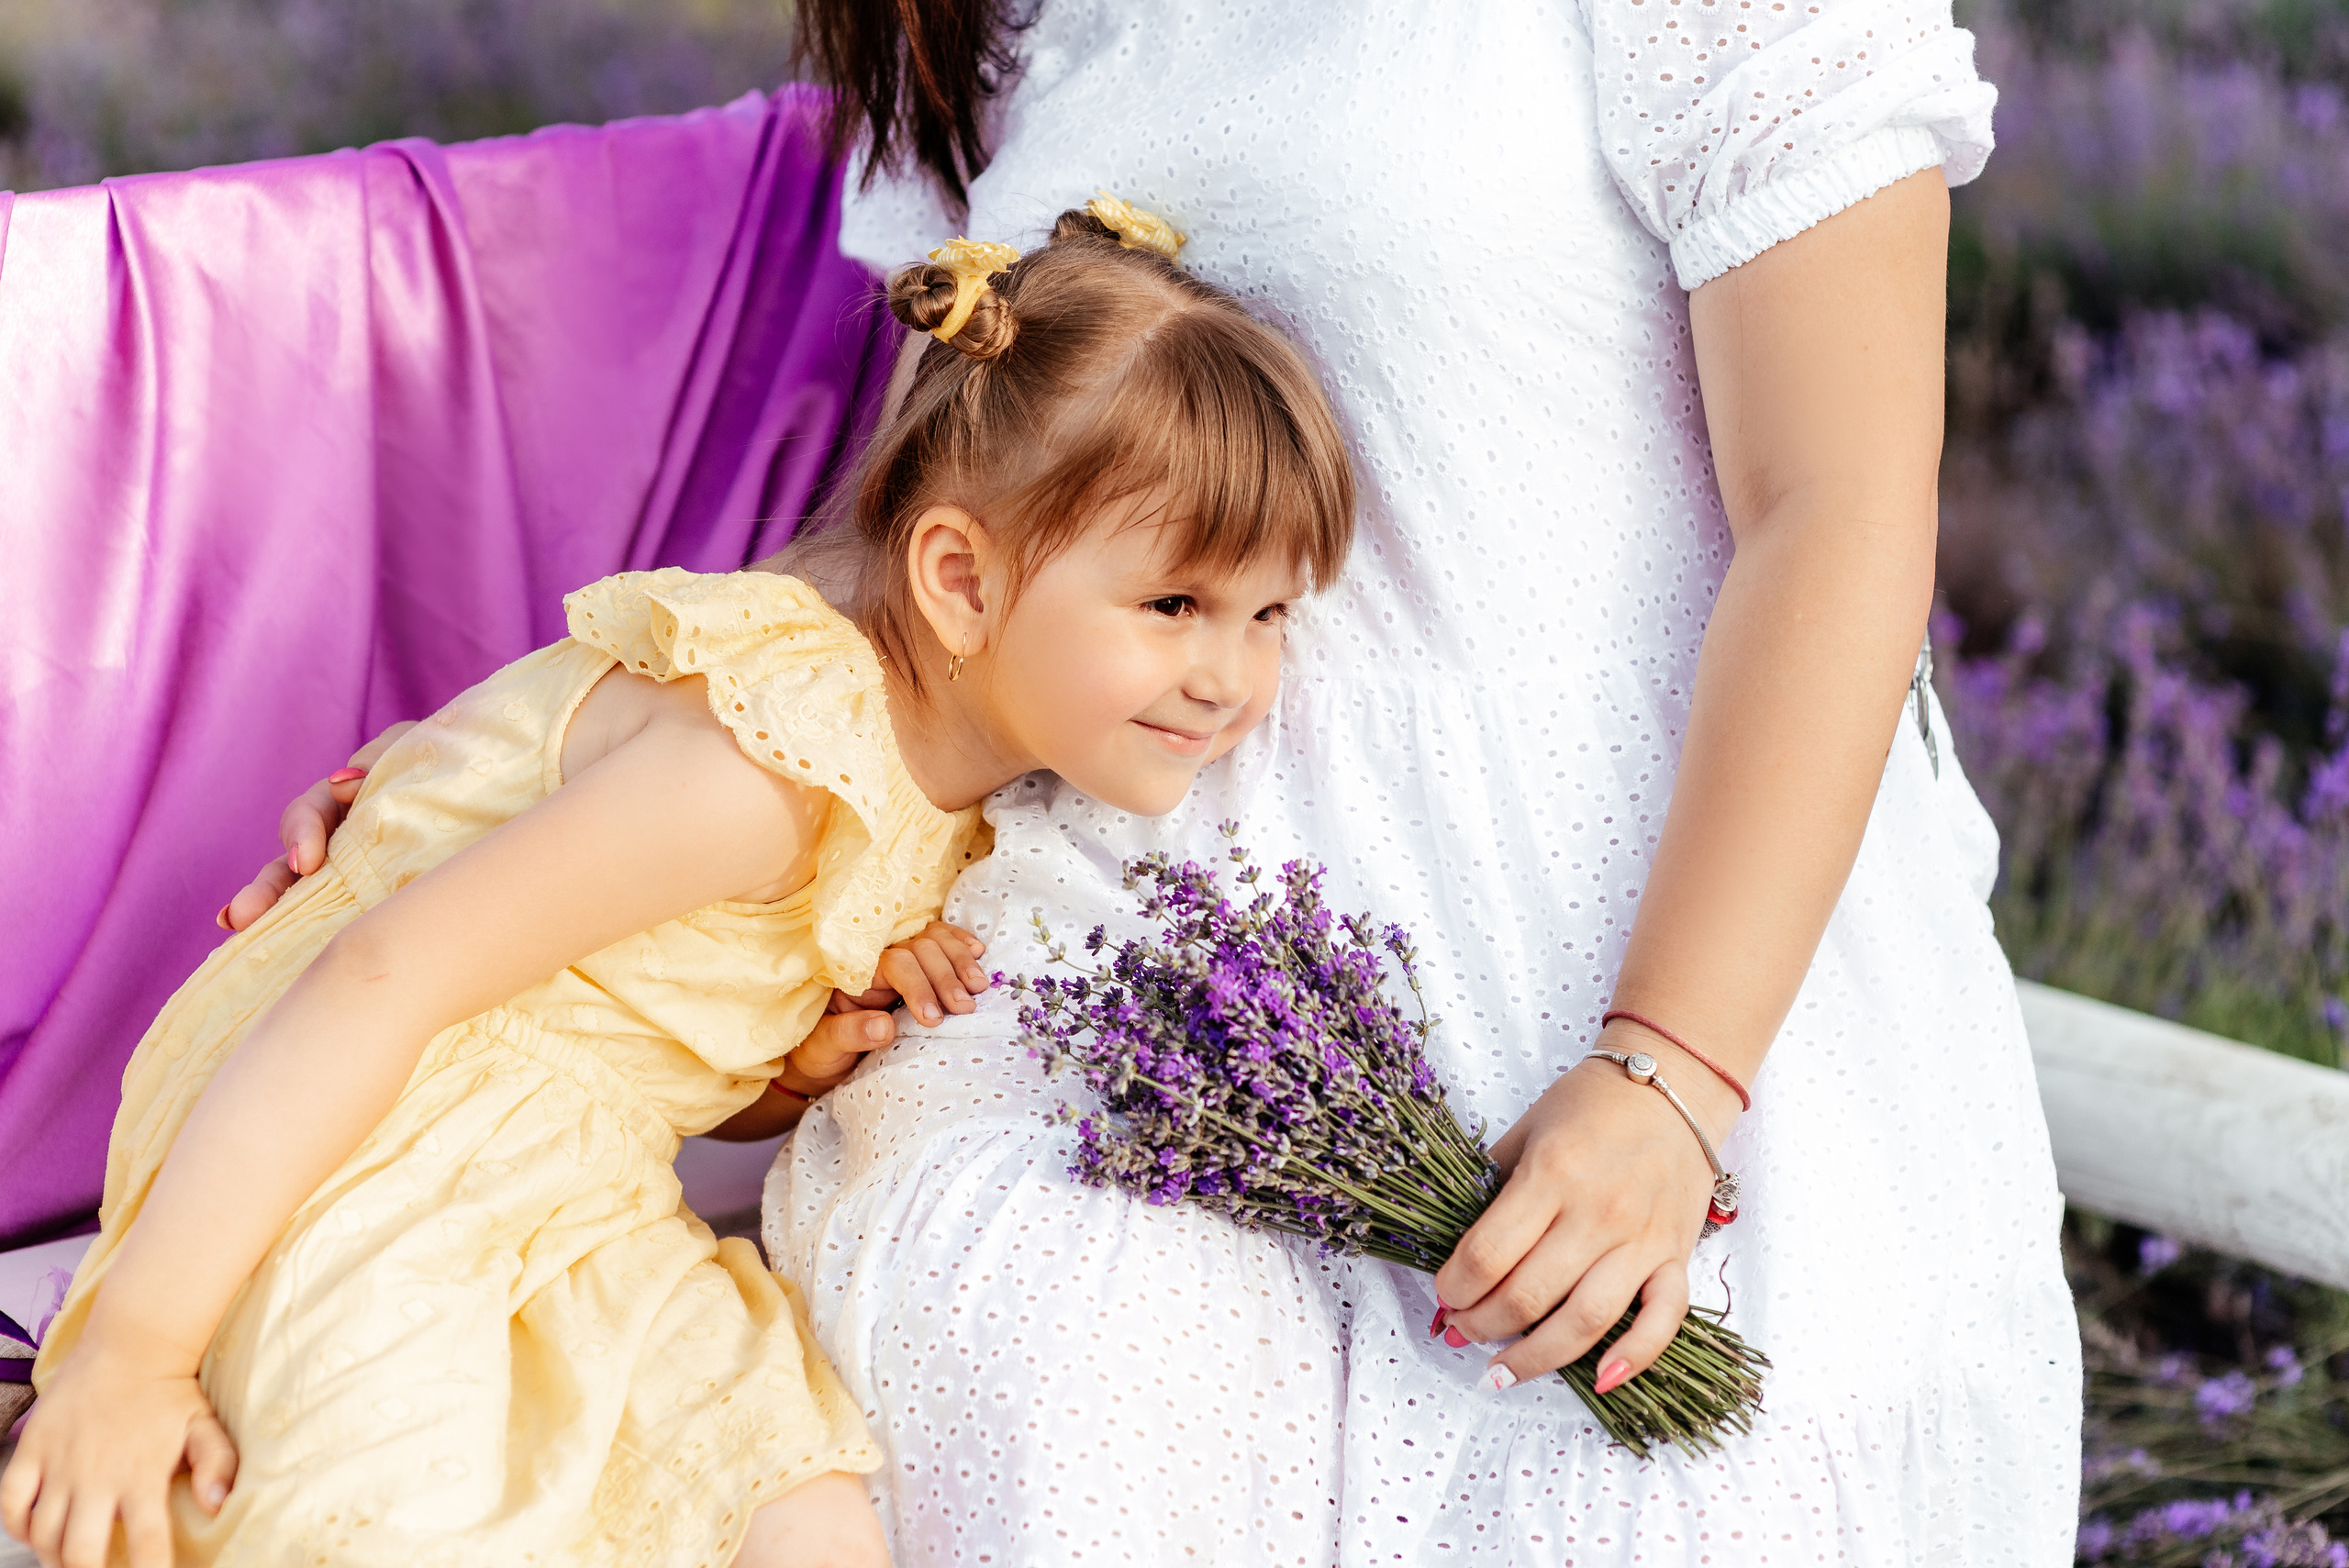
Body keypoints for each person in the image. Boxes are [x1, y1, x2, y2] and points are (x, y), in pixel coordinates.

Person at [207, 2, 2083, 1557]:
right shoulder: (1019, 23)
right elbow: (945, 535)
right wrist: (522, 754)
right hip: (1112, 975)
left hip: (1629, 937)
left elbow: (1834, 510)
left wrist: (1667, 1074)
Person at [0, 206, 1354, 1568]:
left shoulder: (950, 766)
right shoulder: (763, 765)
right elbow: (382, 973)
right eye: (1176, 607)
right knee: (395, 1512)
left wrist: (796, 1068)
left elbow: (647, 1026)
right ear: (960, 578)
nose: (1230, 677)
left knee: (799, 1507)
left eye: (1269, 612)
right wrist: (133, 1349)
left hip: (578, 1186)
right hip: (361, 1128)